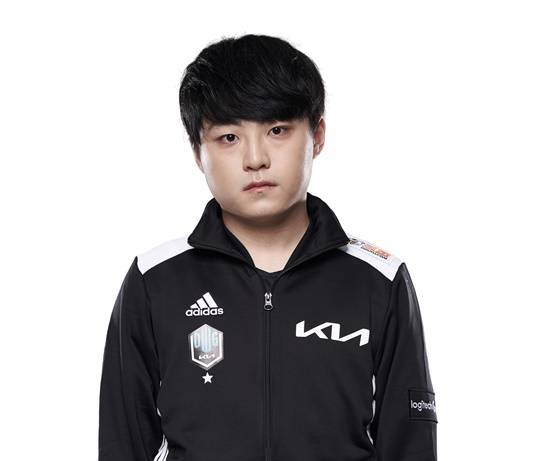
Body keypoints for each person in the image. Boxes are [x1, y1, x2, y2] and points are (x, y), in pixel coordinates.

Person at [98, 33, 438, 461]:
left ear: (317, 136)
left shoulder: (379, 281)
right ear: (197, 152)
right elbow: (122, 442)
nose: (255, 158)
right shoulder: (155, 281)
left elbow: (410, 445)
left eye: (277, 130)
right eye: (228, 137)